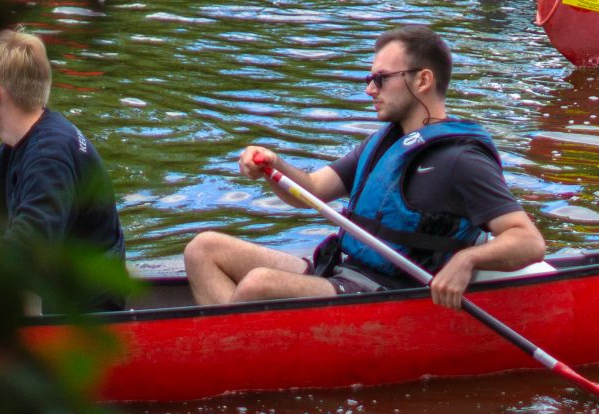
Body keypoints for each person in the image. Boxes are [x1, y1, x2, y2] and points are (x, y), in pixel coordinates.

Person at [181, 25, 546, 308]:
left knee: (261, 284)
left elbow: (527, 241)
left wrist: (466, 261)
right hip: (341, 270)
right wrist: (273, 164)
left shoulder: (461, 160)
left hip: (385, 290)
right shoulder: (386, 142)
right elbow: (311, 189)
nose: (370, 89)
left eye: (381, 79)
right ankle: (228, 351)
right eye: (369, 79)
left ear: (423, 79)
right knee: (204, 248)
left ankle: (219, 358)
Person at [0, 29, 128, 309]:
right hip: (53, 287)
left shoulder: (49, 156)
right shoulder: (17, 145)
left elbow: (29, 250)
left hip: (77, 314)